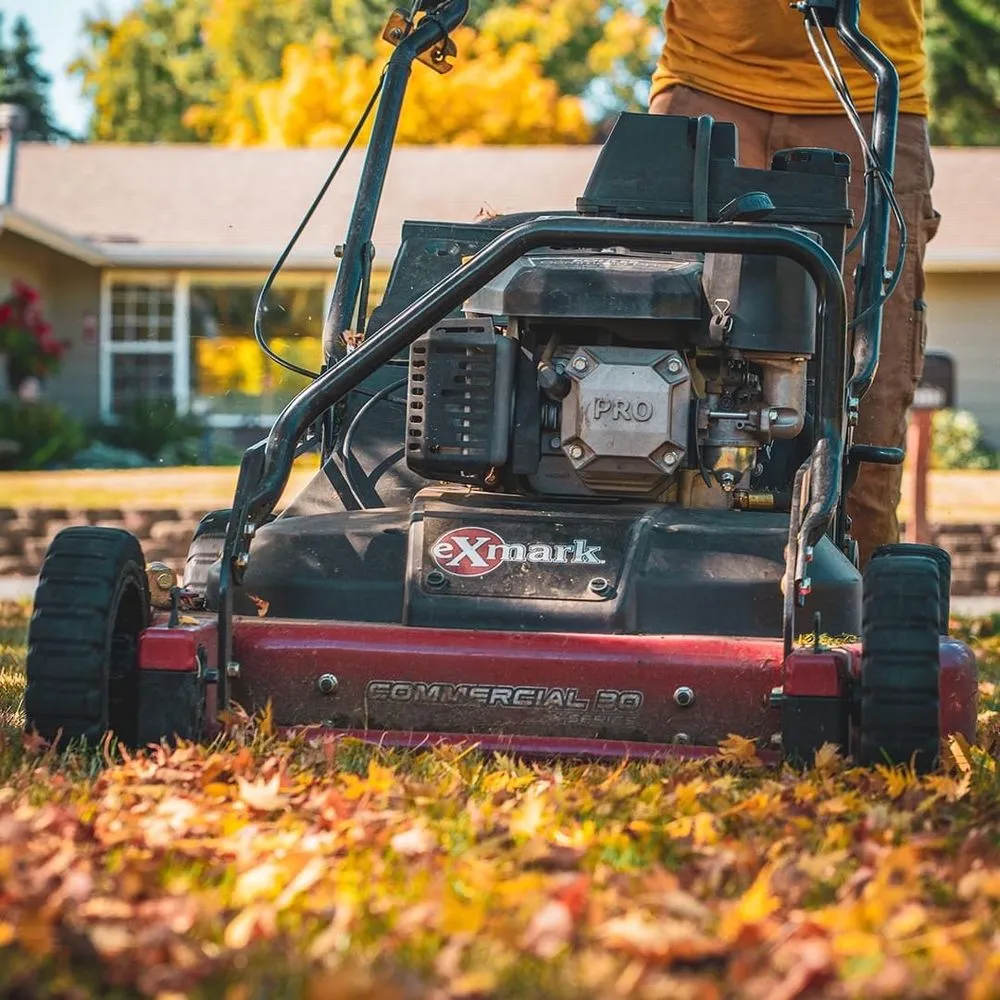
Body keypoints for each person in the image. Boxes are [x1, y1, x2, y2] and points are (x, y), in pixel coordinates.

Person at [649, 1, 939, 567]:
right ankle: (658, 593)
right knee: (659, 343)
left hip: (865, 88)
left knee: (865, 389)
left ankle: (855, 622)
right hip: (705, 81)